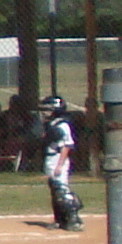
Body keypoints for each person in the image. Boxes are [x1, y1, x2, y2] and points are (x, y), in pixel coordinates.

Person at [39, 92, 85, 232]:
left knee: (62, 190)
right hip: (50, 158)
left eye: (48, 109)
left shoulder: (63, 125)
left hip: (59, 159)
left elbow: (67, 146)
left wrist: (59, 164)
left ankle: (73, 219)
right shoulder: (51, 124)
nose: (45, 113)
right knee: (54, 189)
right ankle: (59, 220)